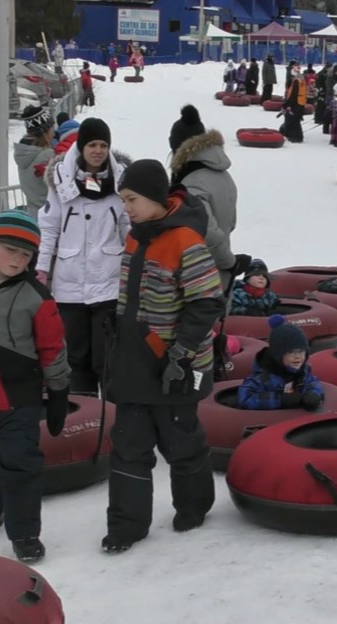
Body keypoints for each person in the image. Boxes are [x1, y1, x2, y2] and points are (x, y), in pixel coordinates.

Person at [104, 160, 225, 554]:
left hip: (174, 363)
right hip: (134, 361)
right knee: (128, 444)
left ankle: (193, 506)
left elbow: (207, 303)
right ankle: (127, 525)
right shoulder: (136, 237)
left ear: (156, 198)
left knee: (181, 441)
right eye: (123, 201)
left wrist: (181, 352)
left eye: (133, 199)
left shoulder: (186, 241)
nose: (128, 208)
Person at [0, 211, 69, 563]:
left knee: (20, 466)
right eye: (10, 250)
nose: (17, 259)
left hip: (19, 400)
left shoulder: (37, 296)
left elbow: (52, 348)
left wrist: (58, 393)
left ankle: (24, 533)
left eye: (26, 255)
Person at [38, 118, 129, 395]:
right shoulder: (61, 182)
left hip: (108, 283)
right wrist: (42, 268)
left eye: (103, 145)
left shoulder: (122, 182)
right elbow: (50, 226)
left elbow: (129, 227)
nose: (98, 150)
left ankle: (112, 418)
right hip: (70, 285)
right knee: (76, 359)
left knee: (107, 360)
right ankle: (83, 416)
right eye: (92, 144)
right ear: (81, 147)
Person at [168, 125, 238, 282]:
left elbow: (208, 233)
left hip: (201, 273)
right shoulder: (223, 174)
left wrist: (229, 263)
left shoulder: (192, 182)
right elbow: (230, 223)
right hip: (220, 270)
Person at [237, 316, 324, 410]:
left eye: (301, 352)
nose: (297, 356)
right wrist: (279, 399)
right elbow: (245, 398)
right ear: (278, 355)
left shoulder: (303, 372)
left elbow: (313, 382)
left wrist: (313, 393)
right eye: (291, 352)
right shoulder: (263, 378)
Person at [14, 105, 56, 219]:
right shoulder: (47, 155)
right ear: (44, 132)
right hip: (50, 215)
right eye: (52, 128)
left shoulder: (23, 153)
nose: (54, 132)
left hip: (32, 214)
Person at [280, 65, 307, 143]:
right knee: (296, 120)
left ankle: (294, 136)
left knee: (293, 120)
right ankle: (298, 136)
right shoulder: (301, 79)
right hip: (301, 102)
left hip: (296, 103)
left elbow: (293, 95)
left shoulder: (296, 81)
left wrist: (286, 104)